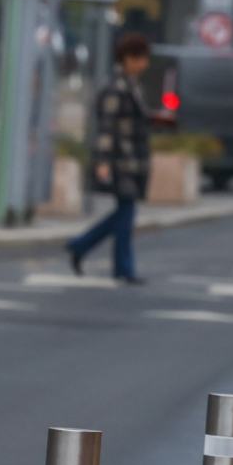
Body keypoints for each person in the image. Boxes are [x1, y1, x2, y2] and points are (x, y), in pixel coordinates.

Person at [68, 33, 155, 285]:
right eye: (139, 59)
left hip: (133, 160)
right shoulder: (116, 88)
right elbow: (105, 128)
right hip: (120, 161)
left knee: (124, 214)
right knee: (126, 214)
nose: (143, 64)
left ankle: (83, 247)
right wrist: (103, 161)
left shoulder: (132, 85)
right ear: (126, 58)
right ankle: (122, 267)